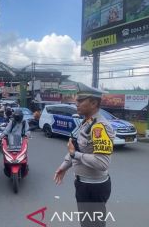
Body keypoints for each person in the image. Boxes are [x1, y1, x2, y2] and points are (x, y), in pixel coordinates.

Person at [54, 83, 114, 227]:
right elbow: (75, 147)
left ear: (93, 103)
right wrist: (64, 166)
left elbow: (102, 163)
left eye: (80, 100)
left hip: (93, 188)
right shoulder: (86, 122)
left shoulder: (99, 127)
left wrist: (76, 155)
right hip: (84, 184)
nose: (76, 104)